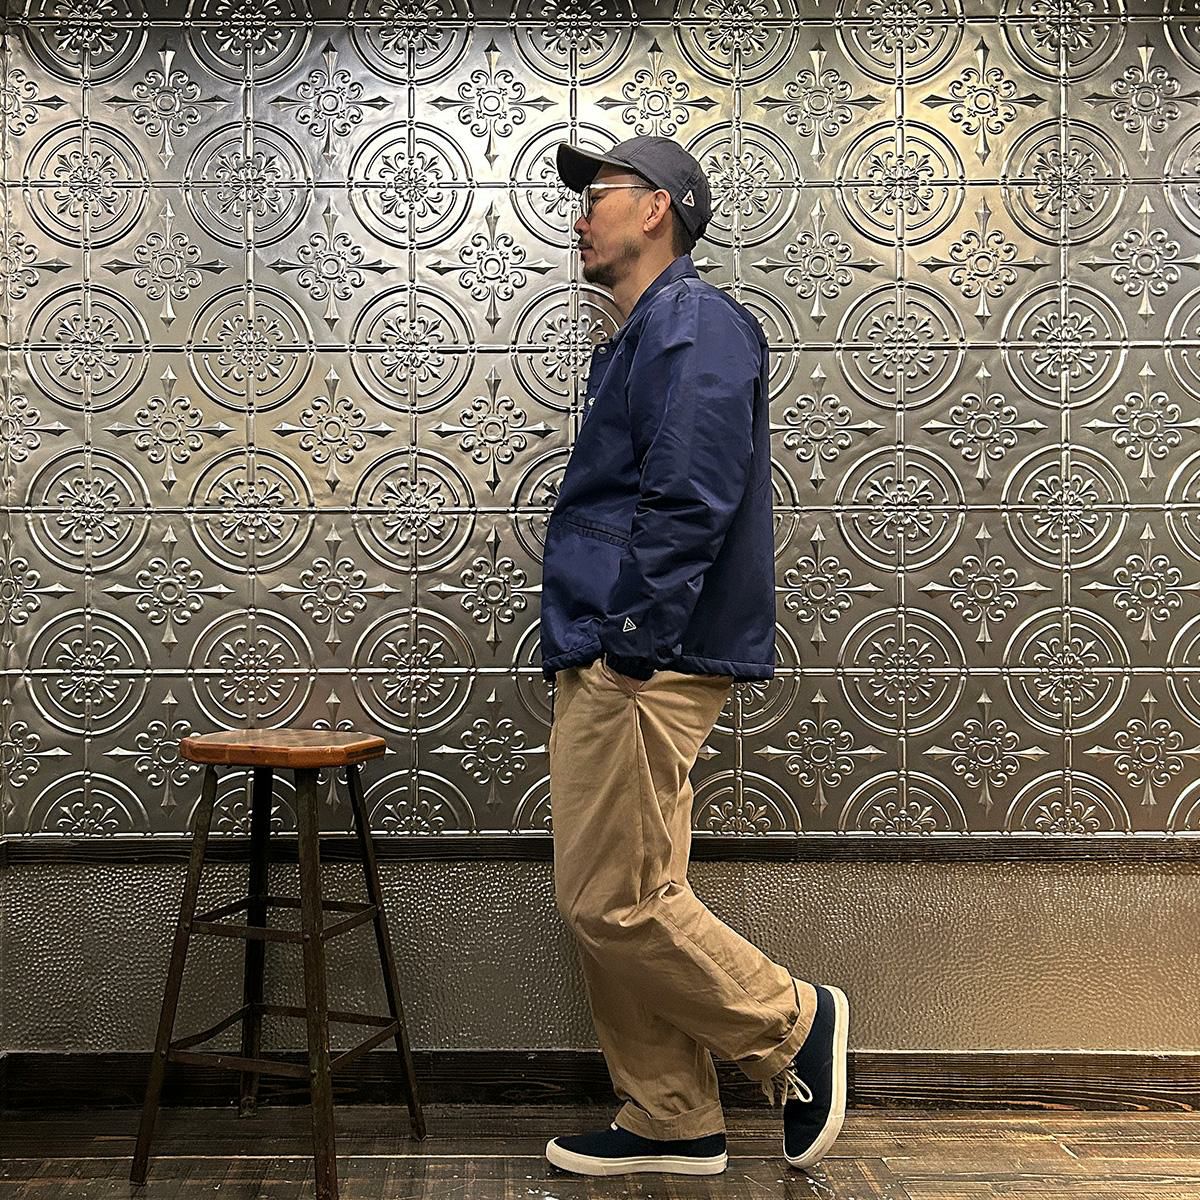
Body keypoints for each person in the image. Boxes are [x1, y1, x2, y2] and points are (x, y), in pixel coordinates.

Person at [536, 134, 850, 1179]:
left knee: (610, 900)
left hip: (643, 655)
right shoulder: (649, 332)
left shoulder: (696, 322)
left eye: (598, 194)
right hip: (624, 645)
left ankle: (790, 1023)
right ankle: (670, 1114)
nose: (580, 215)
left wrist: (630, 642)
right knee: (635, 889)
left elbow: (692, 495)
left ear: (656, 208)